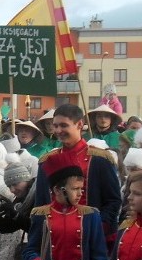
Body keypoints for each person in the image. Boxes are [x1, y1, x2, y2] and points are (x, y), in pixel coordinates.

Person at [35, 104, 122, 244]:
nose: (58, 130)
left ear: (80, 124)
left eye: (64, 125)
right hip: (55, 239)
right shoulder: (46, 161)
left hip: (91, 238)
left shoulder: (100, 159)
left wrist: (97, 228)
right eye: (55, 126)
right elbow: (40, 204)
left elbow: (113, 201)